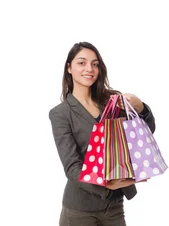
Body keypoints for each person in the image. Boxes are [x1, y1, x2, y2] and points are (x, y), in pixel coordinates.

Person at [49, 42, 156, 226]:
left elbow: (144, 133)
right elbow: (72, 167)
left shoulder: (111, 102)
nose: (89, 68)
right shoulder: (60, 113)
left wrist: (141, 107)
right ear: (69, 68)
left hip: (114, 206)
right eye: (81, 63)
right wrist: (106, 185)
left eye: (95, 64)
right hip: (80, 209)